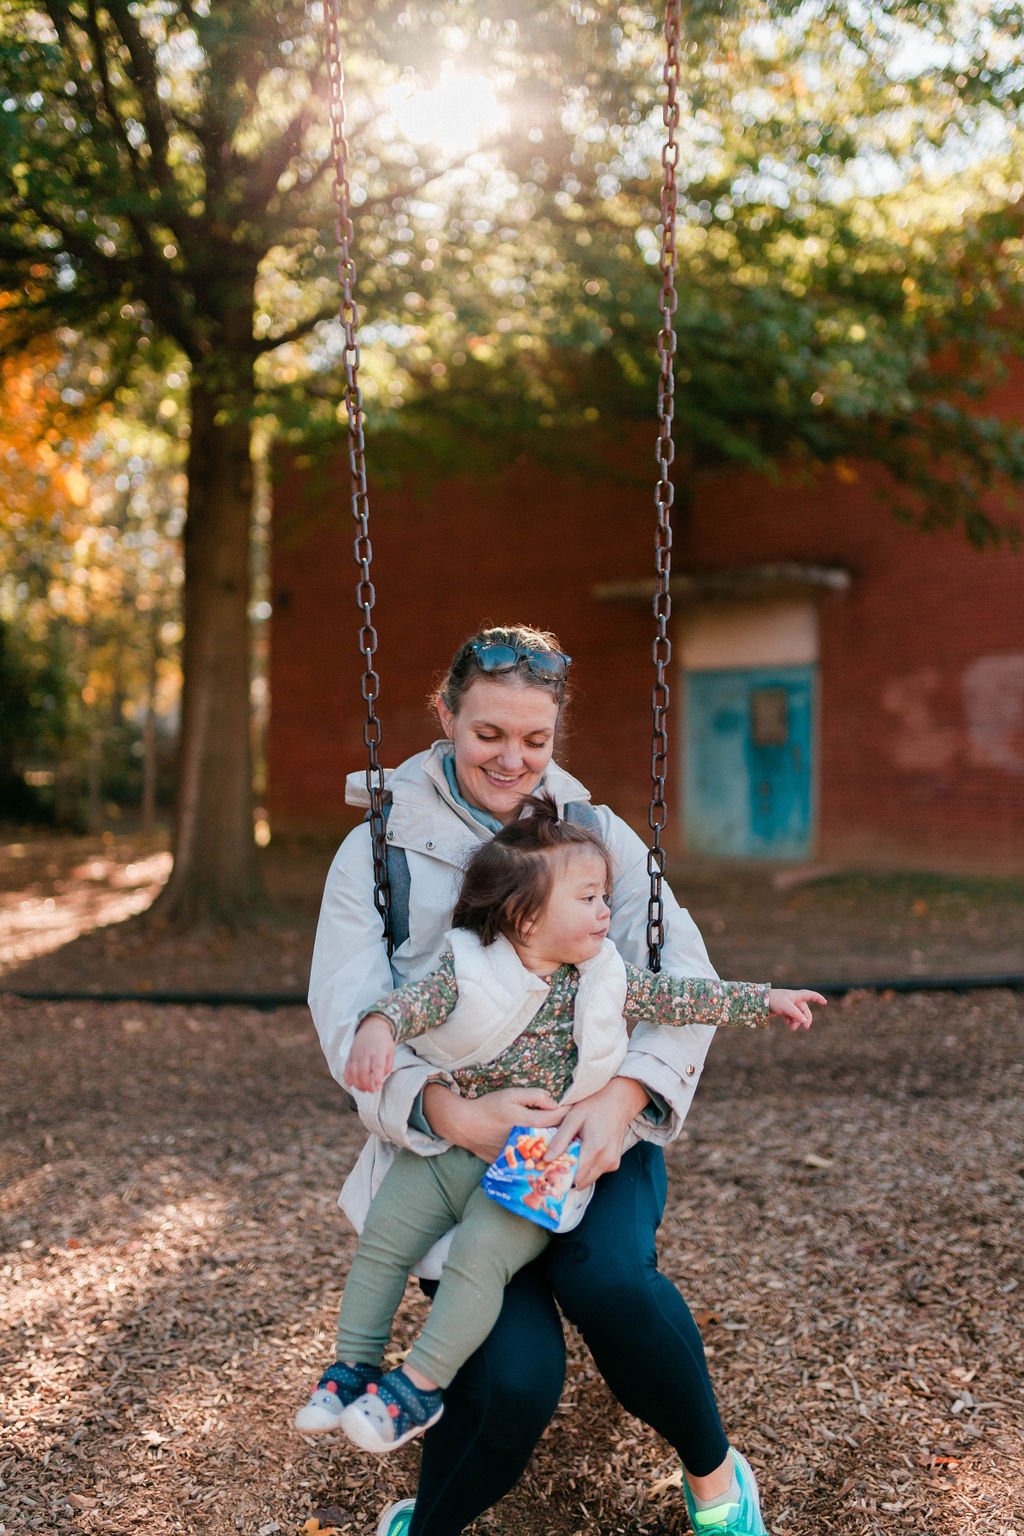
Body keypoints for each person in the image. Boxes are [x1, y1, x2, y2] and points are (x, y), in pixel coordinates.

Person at [307, 623, 785, 1536]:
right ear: (445, 715)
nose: (512, 759)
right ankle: (431, 1520)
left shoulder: (595, 836)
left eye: (535, 738)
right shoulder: (378, 856)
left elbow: (681, 973)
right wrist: (446, 1110)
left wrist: (625, 1096)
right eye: (488, 733)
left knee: (612, 1285)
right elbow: (349, 1015)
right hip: (457, 1153)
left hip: (589, 1129)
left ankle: (718, 1482)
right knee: (515, 1382)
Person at [297, 793, 824, 1455]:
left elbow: (685, 995)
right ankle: (353, 1366)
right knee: (383, 1238)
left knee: (479, 1260)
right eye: (589, 899)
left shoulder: (605, 977)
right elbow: (408, 1005)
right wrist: (377, 1027)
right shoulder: (468, 967)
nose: (607, 910)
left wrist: (764, 999)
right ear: (524, 915)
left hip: (539, 1155)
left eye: (605, 896)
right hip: (456, 1143)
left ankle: (418, 1388)